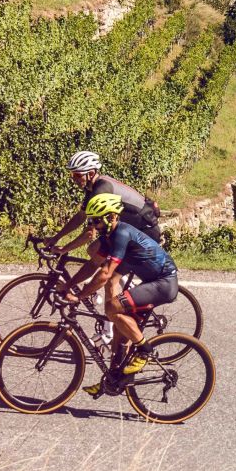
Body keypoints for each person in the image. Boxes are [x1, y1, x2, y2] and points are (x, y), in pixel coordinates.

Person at [53, 151, 180, 395]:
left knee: (112, 291)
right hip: (131, 237)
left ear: (90, 173)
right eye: (72, 176)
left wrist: (77, 294)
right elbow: (88, 239)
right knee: (99, 261)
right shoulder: (96, 199)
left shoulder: (104, 196)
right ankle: (112, 376)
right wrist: (69, 280)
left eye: (76, 175)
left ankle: (133, 343)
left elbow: (98, 260)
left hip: (147, 241)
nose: (74, 180)